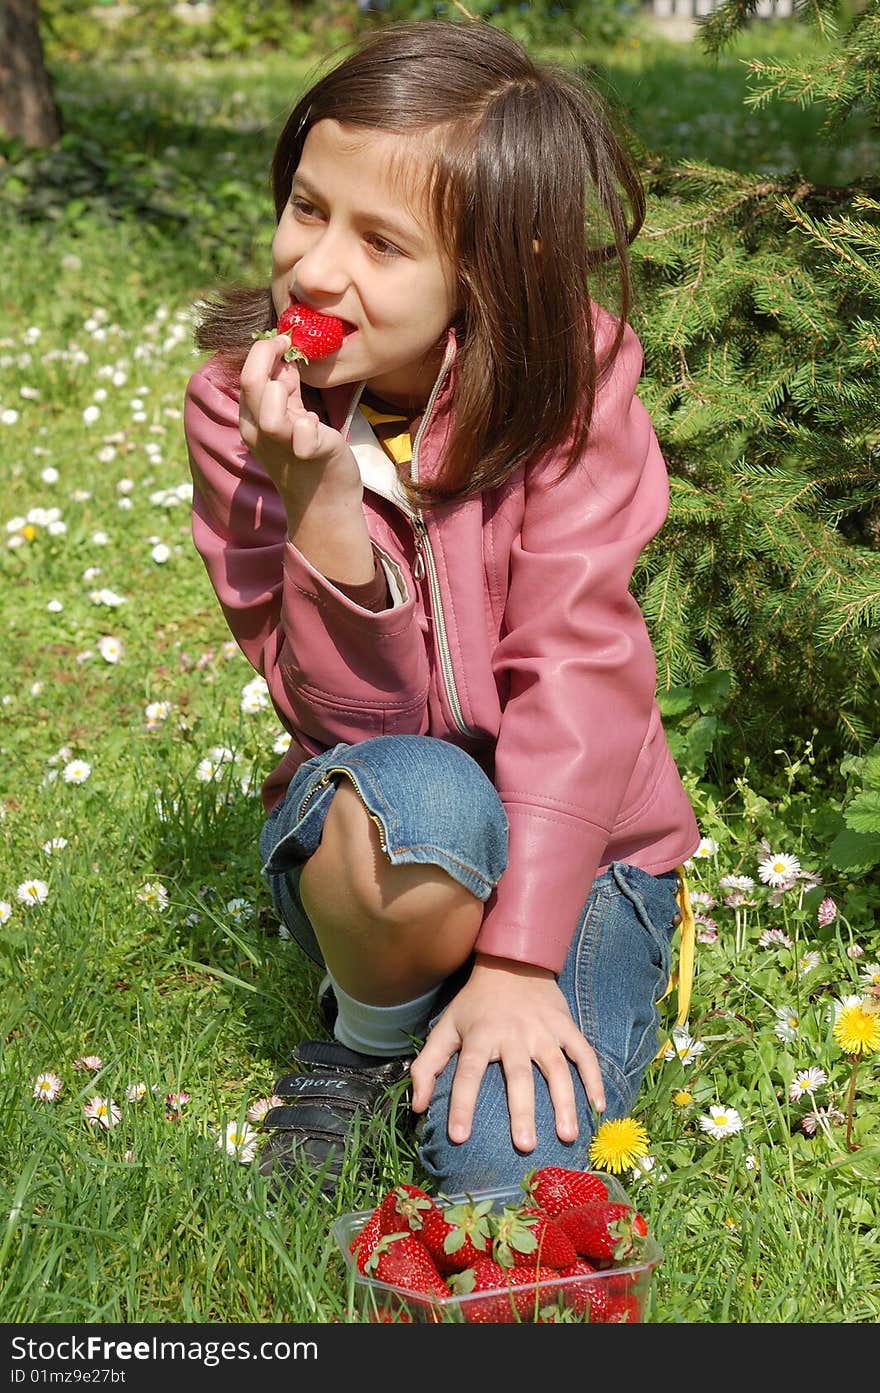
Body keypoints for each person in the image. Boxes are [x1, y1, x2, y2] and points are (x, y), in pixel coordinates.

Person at [183, 18, 701, 1201]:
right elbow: (348, 720)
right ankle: (372, 1034)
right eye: (307, 209)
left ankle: (494, 995)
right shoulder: (239, 410)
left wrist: (522, 963)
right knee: (420, 793)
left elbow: (579, 665)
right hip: (392, 832)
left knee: (494, 1182)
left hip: (587, 845)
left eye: (380, 240)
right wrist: (316, 493)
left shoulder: (573, 387)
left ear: (489, 266)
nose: (315, 270)